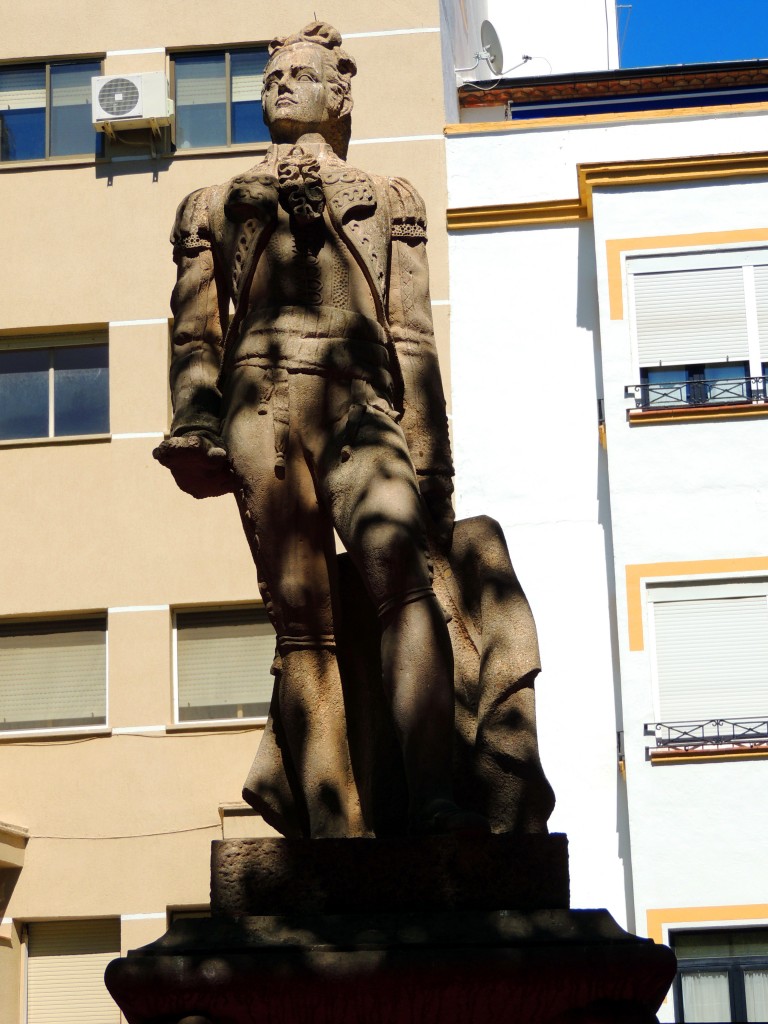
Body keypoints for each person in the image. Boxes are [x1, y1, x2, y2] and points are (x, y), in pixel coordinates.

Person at [154, 22, 488, 838]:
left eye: (299, 74)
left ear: (339, 95)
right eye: (271, 76)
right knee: (301, 620)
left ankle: (433, 797)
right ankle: (335, 826)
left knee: (403, 579)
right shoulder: (212, 203)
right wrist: (192, 419)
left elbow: (413, 336)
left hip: (359, 399)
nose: (279, 85)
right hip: (257, 403)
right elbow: (195, 332)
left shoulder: (389, 196)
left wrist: (431, 463)